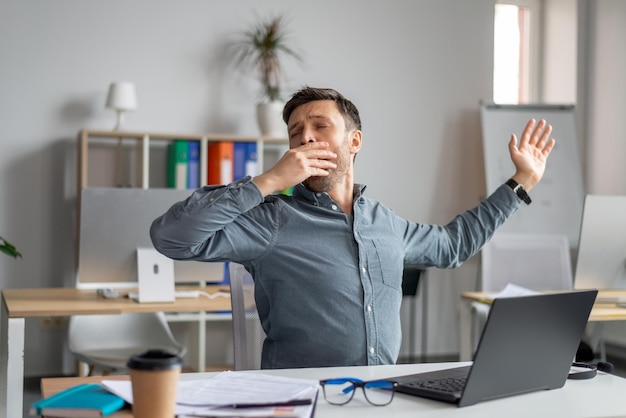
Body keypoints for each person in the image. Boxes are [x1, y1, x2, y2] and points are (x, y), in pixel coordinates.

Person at [150, 87, 555, 369]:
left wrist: (521, 183)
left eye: (319, 126)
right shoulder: (272, 219)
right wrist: (269, 181)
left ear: (354, 141)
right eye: (295, 132)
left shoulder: (385, 222)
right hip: (303, 398)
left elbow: (453, 245)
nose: (305, 137)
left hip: (381, 397)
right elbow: (172, 237)